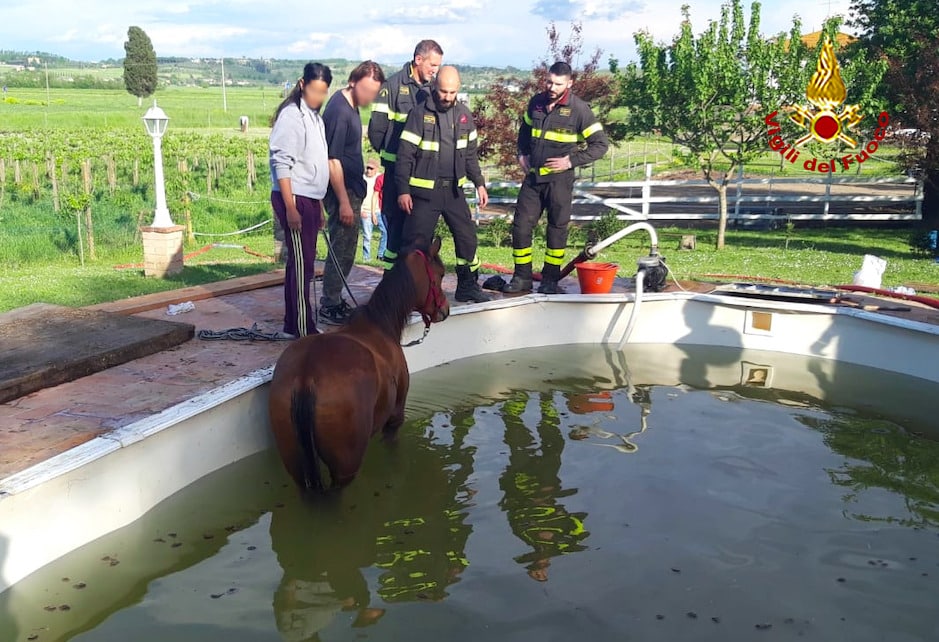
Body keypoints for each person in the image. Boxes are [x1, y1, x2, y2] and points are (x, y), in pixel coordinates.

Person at [504, 61, 610, 294]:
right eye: (549, 81)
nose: (552, 87)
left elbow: (601, 145)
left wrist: (570, 161)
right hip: (533, 180)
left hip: (559, 182)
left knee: (556, 229)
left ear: (569, 83)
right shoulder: (536, 103)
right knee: (521, 227)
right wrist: (521, 154)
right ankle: (521, 277)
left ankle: (550, 280)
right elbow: (524, 131)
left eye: (558, 84)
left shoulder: (579, 109)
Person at [395, 65, 491, 303]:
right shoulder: (419, 115)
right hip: (425, 193)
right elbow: (404, 155)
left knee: (468, 238)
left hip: (454, 192)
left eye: (452, 92)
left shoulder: (465, 117)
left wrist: (479, 183)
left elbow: (470, 156)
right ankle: (412, 293)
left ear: (458, 89)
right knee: (417, 245)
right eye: (443, 91)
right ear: (435, 87)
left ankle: (468, 285)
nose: (447, 97)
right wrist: (403, 190)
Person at [318, 61, 385, 326]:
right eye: (367, 90)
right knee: (342, 248)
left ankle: (334, 298)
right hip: (341, 191)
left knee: (348, 248)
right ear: (353, 81)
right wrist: (344, 203)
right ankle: (330, 303)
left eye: (374, 92)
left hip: (352, 187)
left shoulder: (352, 107)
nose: (370, 96)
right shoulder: (339, 112)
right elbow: (332, 161)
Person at [268, 62, 332, 338]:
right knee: (301, 263)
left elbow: (312, 163)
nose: (318, 97)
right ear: (302, 83)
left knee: (303, 262)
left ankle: (298, 323)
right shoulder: (292, 116)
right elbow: (281, 163)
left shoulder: (315, 117)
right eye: (314, 90)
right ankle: (299, 326)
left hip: (309, 198)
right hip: (293, 197)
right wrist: (291, 208)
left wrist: (318, 204)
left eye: (323, 92)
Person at [368, 39, 443, 271]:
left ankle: (417, 281)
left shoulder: (434, 90)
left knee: (421, 232)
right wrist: (394, 157)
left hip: (424, 174)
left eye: (439, 66)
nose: (435, 70)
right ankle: (391, 282)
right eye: (432, 65)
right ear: (418, 60)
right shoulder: (391, 87)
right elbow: (376, 130)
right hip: (396, 174)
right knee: (395, 229)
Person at [360, 159, 388, 262]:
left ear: (376, 169)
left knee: (385, 232)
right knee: (367, 235)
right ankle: (366, 257)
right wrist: (361, 209)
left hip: (378, 210)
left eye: (371, 168)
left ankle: (380, 254)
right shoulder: (362, 179)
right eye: (367, 168)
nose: (368, 170)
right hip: (365, 210)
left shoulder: (379, 178)